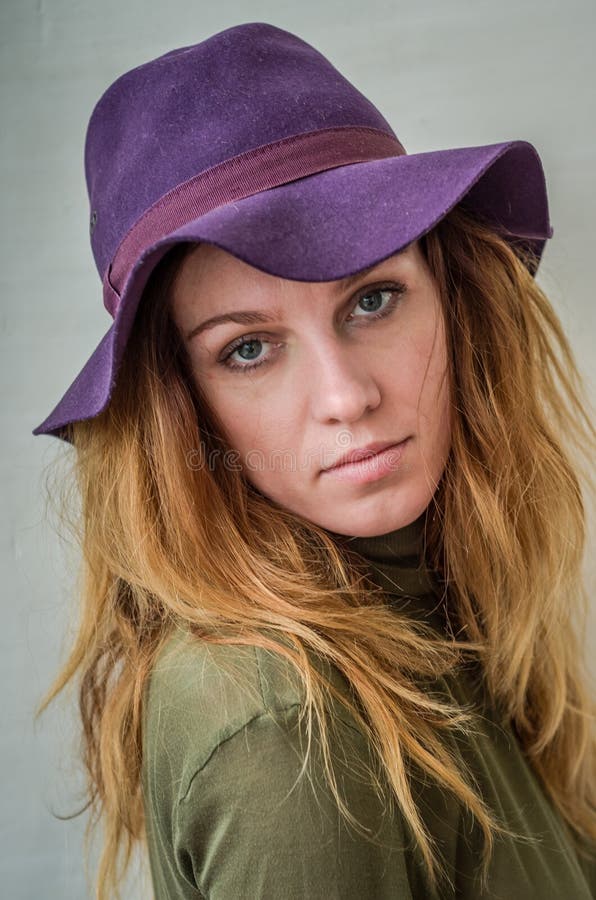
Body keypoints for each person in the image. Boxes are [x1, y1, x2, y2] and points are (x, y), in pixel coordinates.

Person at [32, 21, 596, 900]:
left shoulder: (451, 605)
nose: (345, 396)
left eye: (373, 298)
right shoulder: (288, 732)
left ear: (453, 303)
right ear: (179, 404)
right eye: (248, 350)